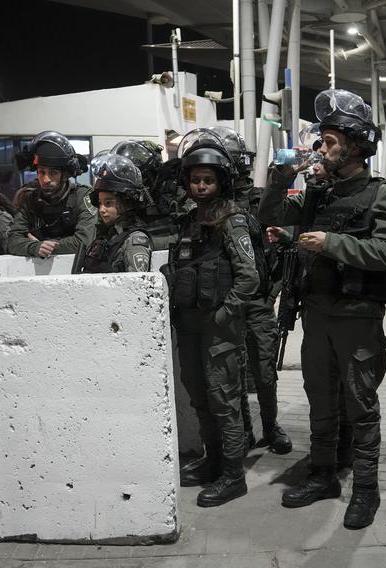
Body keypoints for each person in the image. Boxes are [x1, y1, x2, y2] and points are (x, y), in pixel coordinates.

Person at [259, 88, 386, 530]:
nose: (321, 147)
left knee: (360, 405)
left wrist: (332, 244)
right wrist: (282, 177)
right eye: (321, 139)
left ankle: (365, 489)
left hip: (357, 317)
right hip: (317, 313)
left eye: (330, 140)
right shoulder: (318, 195)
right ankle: (323, 473)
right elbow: (269, 212)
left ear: (356, 144)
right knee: (319, 400)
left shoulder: (382, 193)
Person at [163, 129, 259, 507]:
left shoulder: (231, 220)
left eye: (208, 180)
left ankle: (234, 475)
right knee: (199, 397)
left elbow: (249, 275)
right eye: (195, 179)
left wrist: (226, 312)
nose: (201, 186)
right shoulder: (188, 220)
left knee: (224, 400)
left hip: (219, 326)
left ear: (221, 181)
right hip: (189, 324)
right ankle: (213, 459)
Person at [208, 125, 292, 456]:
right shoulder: (210, 207)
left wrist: (270, 296)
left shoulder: (260, 202)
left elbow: (284, 250)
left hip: (257, 302)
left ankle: (270, 426)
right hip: (228, 301)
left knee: (264, 370)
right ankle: (243, 432)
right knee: (234, 374)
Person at [7, 131, 96, 258]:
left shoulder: (82, 196)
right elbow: (12, 241)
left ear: (65, 175)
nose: (45, 179)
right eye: (41, 172)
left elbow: (84, 241)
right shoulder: (29, 198)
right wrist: (34, 247)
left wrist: (46, 246)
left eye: (53, 173)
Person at [81, 154, 153, 273]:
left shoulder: (135, 239)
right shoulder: (106, 236)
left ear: (125, 203)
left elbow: (137, 284)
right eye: (100, 203)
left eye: (108, 203)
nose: (102, 209)